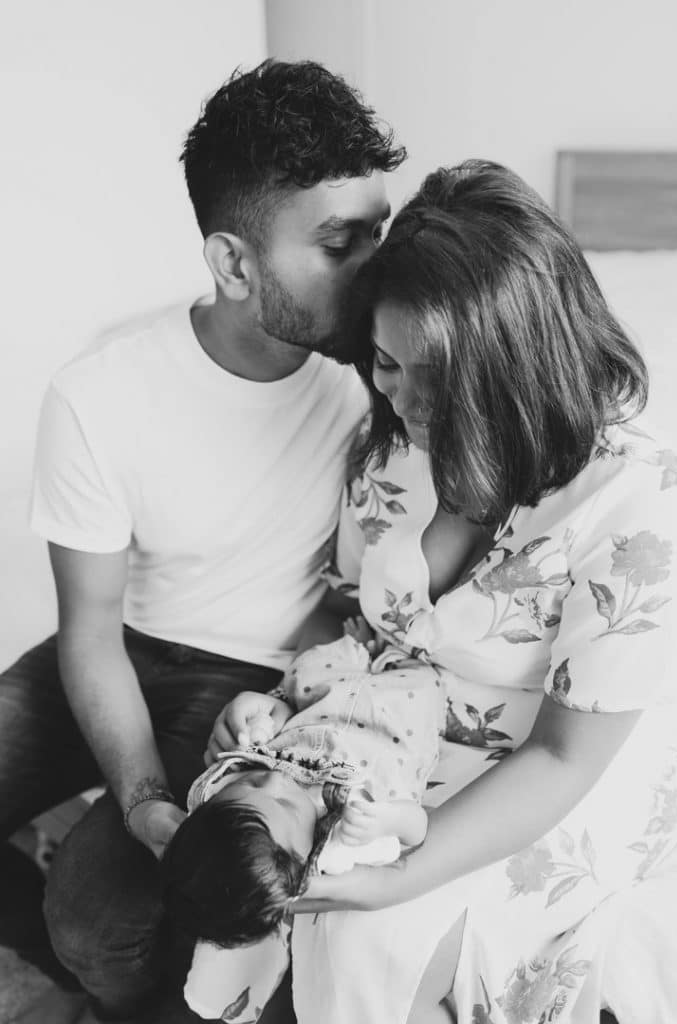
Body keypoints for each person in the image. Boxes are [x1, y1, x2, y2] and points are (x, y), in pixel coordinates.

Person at [198, 160, 677, 1023]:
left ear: (522, 365)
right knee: (262, 886)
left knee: (369, 937)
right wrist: (276, 708)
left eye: (444, 376)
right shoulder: (388, 445)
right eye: (388, 362)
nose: (411, 402)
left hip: (543, 764)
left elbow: (566, 757)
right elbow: (355, 611)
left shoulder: (639, 501)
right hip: (383, 732)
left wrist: (398, 878)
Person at [0, 58, 404, 1022]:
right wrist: (140, 799)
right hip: (125, 646)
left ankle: (121, 988)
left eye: (377, 233)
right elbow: (91, 634)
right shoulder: (102, 392)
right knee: (85, 893)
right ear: (232, 263)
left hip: (252, 678)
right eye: (340, 245)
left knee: (98, 924)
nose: (375, 269)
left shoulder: (386, 374)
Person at [162, 621, 444, 1022]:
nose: (278, 778)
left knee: (309, 669)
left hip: (329, 685)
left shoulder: (227, 795)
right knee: (426, 675)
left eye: (255, 782)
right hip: (403, 707)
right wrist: (386, 821)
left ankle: (370, 640)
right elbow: (418, 828)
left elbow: (277, 712)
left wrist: (256, 715)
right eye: (288, 805)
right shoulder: (342, 837)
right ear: (304, 856)